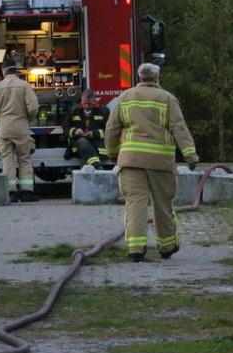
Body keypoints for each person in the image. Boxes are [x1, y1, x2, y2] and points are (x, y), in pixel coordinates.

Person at [105, 62, 198, 262]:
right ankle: (167, 247)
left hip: (130, 161)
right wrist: (190, 156)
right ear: (157, 78)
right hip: (160, 162)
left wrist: (112, 153)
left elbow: (112, 128)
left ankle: (136, 249)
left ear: (139, 77)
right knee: (163, 204)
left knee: (135, 204)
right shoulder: (167, 99)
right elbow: (179, 127)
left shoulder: (125, 97)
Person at [0, 62, 39, 202]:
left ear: (3, 70)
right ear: (16, 70)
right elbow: (33, 107)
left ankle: (10, 192)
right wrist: (28, 118)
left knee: (7, 160)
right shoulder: (24, 86)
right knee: (24, 158)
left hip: (4, 128)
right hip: (21, 127)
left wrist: (0, 119)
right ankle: (27, 192)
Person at [66, 89, 110, 169]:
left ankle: (94, 167)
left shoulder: (103, 111)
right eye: (84, 103)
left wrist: (94, 134)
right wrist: (75, 131)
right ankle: (97, 167)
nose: (86, 106)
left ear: (94, 101)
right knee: (82, 141)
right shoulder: (74, 110)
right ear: (81, 100)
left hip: (97, 145)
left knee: (86, 153)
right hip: (78, 145)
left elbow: (109, 131)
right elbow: (66, 127)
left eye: (89, 104)